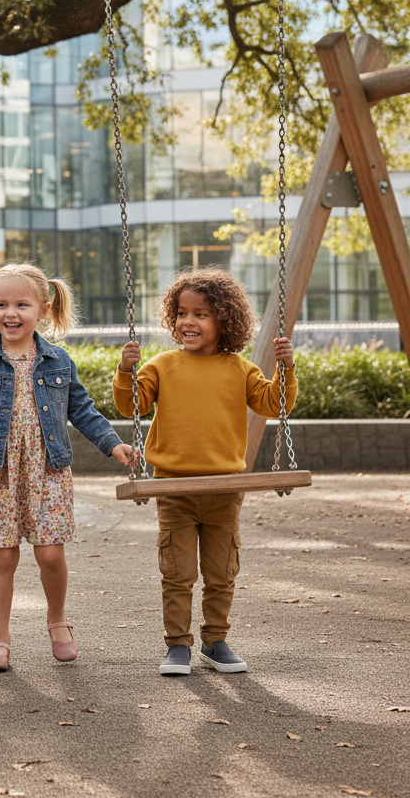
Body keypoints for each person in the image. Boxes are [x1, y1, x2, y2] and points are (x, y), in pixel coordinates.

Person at [0, 263, 134, 672]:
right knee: (2, 558)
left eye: (22, 304)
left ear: (43, 307)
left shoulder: (58, 361)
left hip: (47, 471)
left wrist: (113, 445)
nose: (11, 313)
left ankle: (58, 621)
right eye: (1, 304)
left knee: (50, 554)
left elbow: (83, 410)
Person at [115, 267, 297, 677]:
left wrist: (285, 368)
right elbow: (133, 407)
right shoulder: (162, 365)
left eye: (201, 314)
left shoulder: (240, 369)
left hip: (223, 490)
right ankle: (177, 645)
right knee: (177, 574)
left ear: (225, 320)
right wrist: (126, 371)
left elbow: (273, 405)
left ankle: (216, 641)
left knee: (221, 573)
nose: (188, 322)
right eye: (181, 313)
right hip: (174, 489)